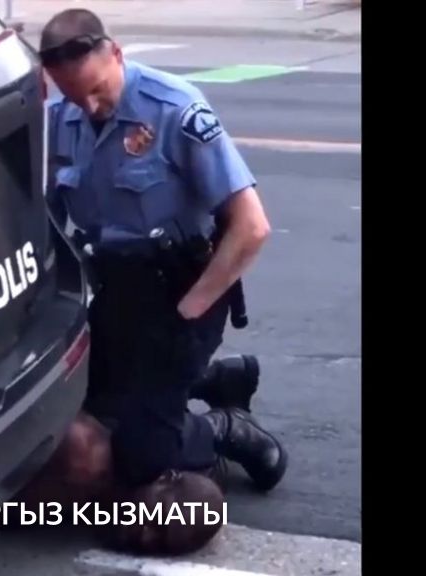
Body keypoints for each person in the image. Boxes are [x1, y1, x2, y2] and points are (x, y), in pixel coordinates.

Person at [21, 7, 288, 551]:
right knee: (82, 411)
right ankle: (207, 379)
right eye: (74, 96)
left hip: (185, 289)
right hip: (117, 290)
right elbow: (46, 215)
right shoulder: (61, 116)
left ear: (116, 54)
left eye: (97, 92)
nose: (88, 108)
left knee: (141, 451)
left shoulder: (174, 109)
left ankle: (224, 427)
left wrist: (190, 312)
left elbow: (252, 227)